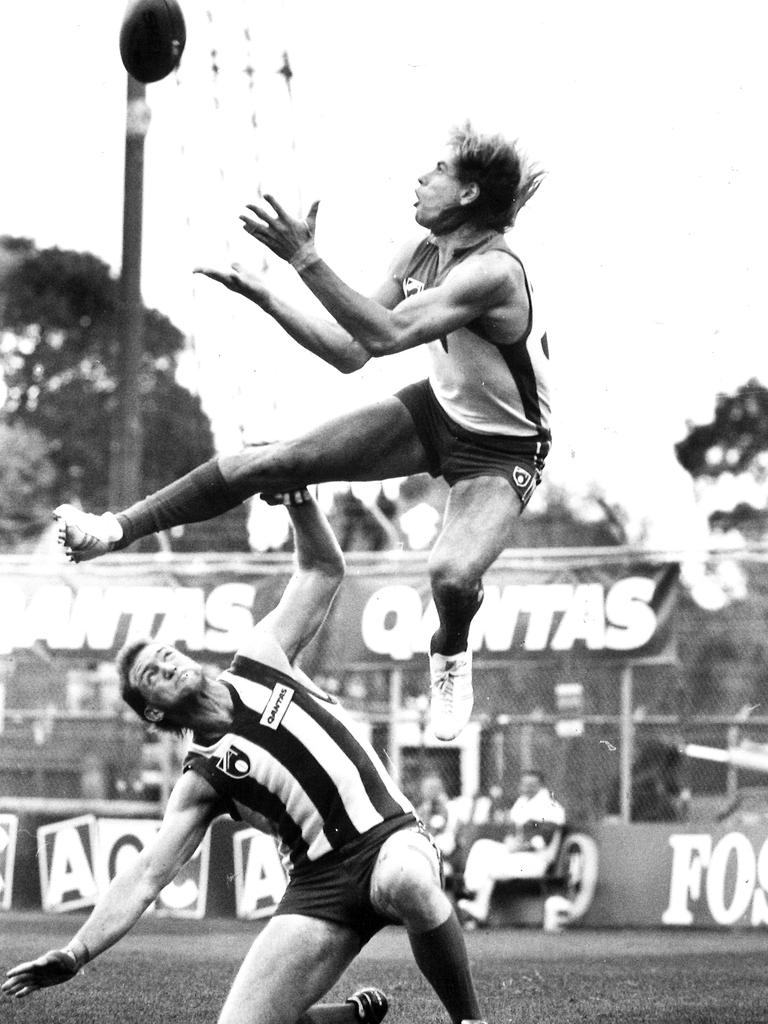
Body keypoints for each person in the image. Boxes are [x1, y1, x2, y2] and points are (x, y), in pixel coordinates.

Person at [53, 121, 551, 743]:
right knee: (270, 462)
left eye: (438, 173)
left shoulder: (494, 272)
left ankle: (450, 654)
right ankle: (112, 530)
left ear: (470, 195)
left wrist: (306, 259)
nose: (421, 181)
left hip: (504, 447)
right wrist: (269, 293)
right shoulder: (419, 250)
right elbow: (349, 351)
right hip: (438, 412)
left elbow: (387, 335)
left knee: (451, 575)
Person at [3, 488, 486, 1024]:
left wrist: (300, 501)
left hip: (390, 839)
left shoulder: (260, 659)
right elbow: (146, 875)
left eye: (165, 653)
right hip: (320, 889)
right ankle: (349, 1018)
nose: (165, 664)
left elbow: (323, 570)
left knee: (407, 883)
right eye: (151, 676)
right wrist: (76, 953)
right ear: (156, 715)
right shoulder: (203, 778)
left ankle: (469, 1019)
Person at [457, 769, 565, 927]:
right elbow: (512, 830)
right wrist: (510, 840)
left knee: (490, 866)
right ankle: (473, 893)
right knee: (482, 846)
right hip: (516, 856)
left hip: (536, 861)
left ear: (541, 785)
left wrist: (523, 845)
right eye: (525, 784)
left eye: (532, 785)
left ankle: (478, 904)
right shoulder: (522, 802)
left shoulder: (551, 807)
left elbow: (544, 839)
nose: (527, 788)